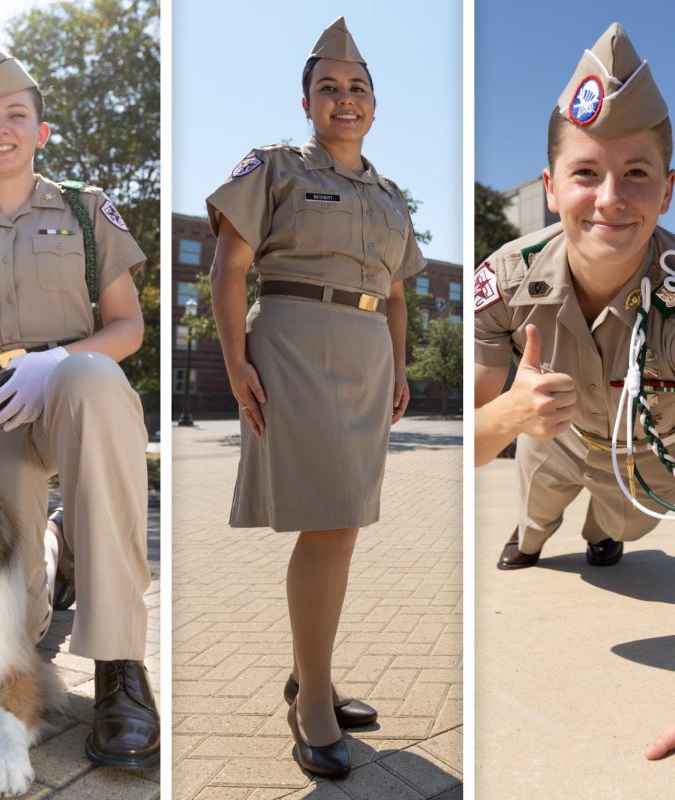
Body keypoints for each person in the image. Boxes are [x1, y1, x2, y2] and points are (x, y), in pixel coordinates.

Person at [475, 23, 675, 793]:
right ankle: (533, 538)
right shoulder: (504, 278)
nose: (610, 199)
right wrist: (509, 415)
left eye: (637, 173)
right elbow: (463, 443)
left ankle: (602, 535)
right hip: (552, 438)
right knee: (539, 508)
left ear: (668, 189)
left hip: (647, 459)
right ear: (549, 184)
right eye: (586, 173)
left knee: (620, 532)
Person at [0, 46, 159, 769]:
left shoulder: (85, 211)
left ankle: (119, 669)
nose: (1, 128)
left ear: (40, 131)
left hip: (74, 389)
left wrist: (60, 361)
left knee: (89, 379)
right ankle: (57, 549)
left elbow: (129, 326)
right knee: (8, 618)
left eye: (16, 116)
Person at [207, 18, 426, 779]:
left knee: (348, 523)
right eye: (328, 87)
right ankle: (310, 704)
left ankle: (316, 676)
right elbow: (228, 268)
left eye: (357, 88)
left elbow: (399, 294)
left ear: (374, 105)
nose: (345, 98)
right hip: (296, 343)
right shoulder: (274, 168)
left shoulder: (390, 196)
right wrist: (235, 363)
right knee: (330, 523)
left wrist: (400, 366)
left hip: (366, 356)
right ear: (306, 102)